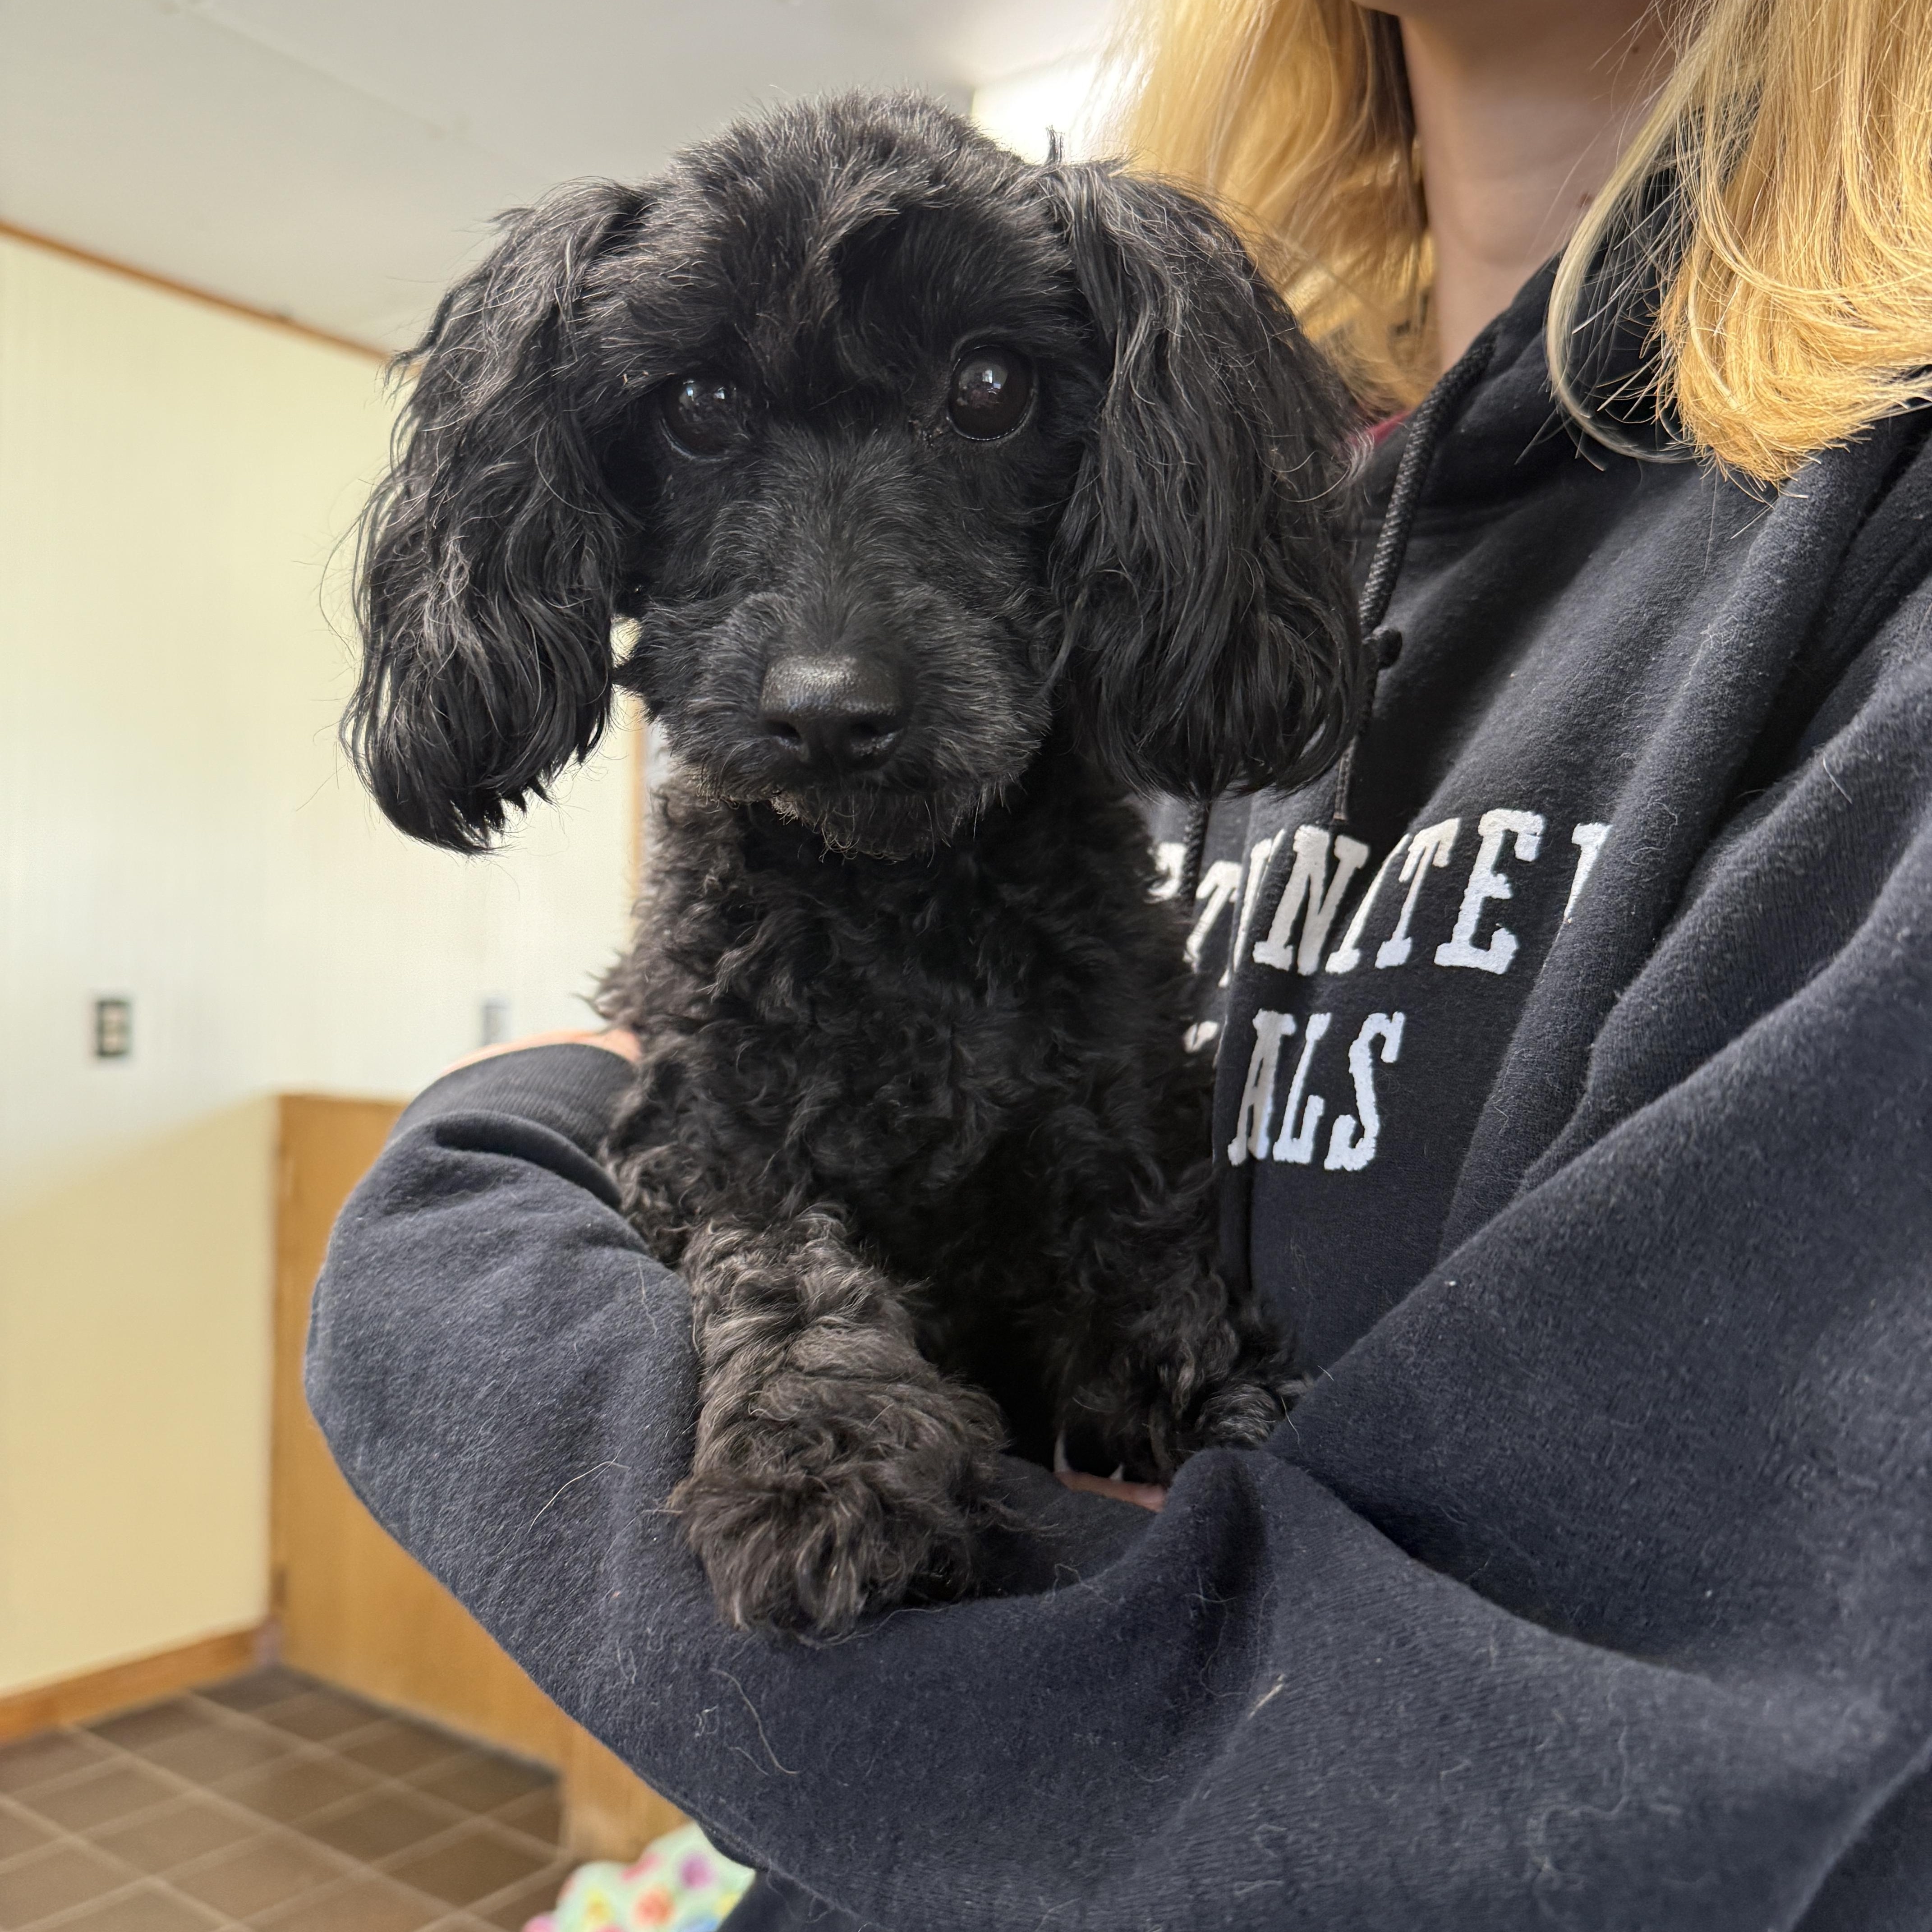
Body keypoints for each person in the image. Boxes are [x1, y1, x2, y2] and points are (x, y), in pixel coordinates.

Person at [308, 0, 1932, 1923]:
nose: (831, 663)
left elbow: (1596, 1766)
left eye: (987, 402)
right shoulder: (1221, 530)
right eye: (706, 420)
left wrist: (471, 1204)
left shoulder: (1850, 579)